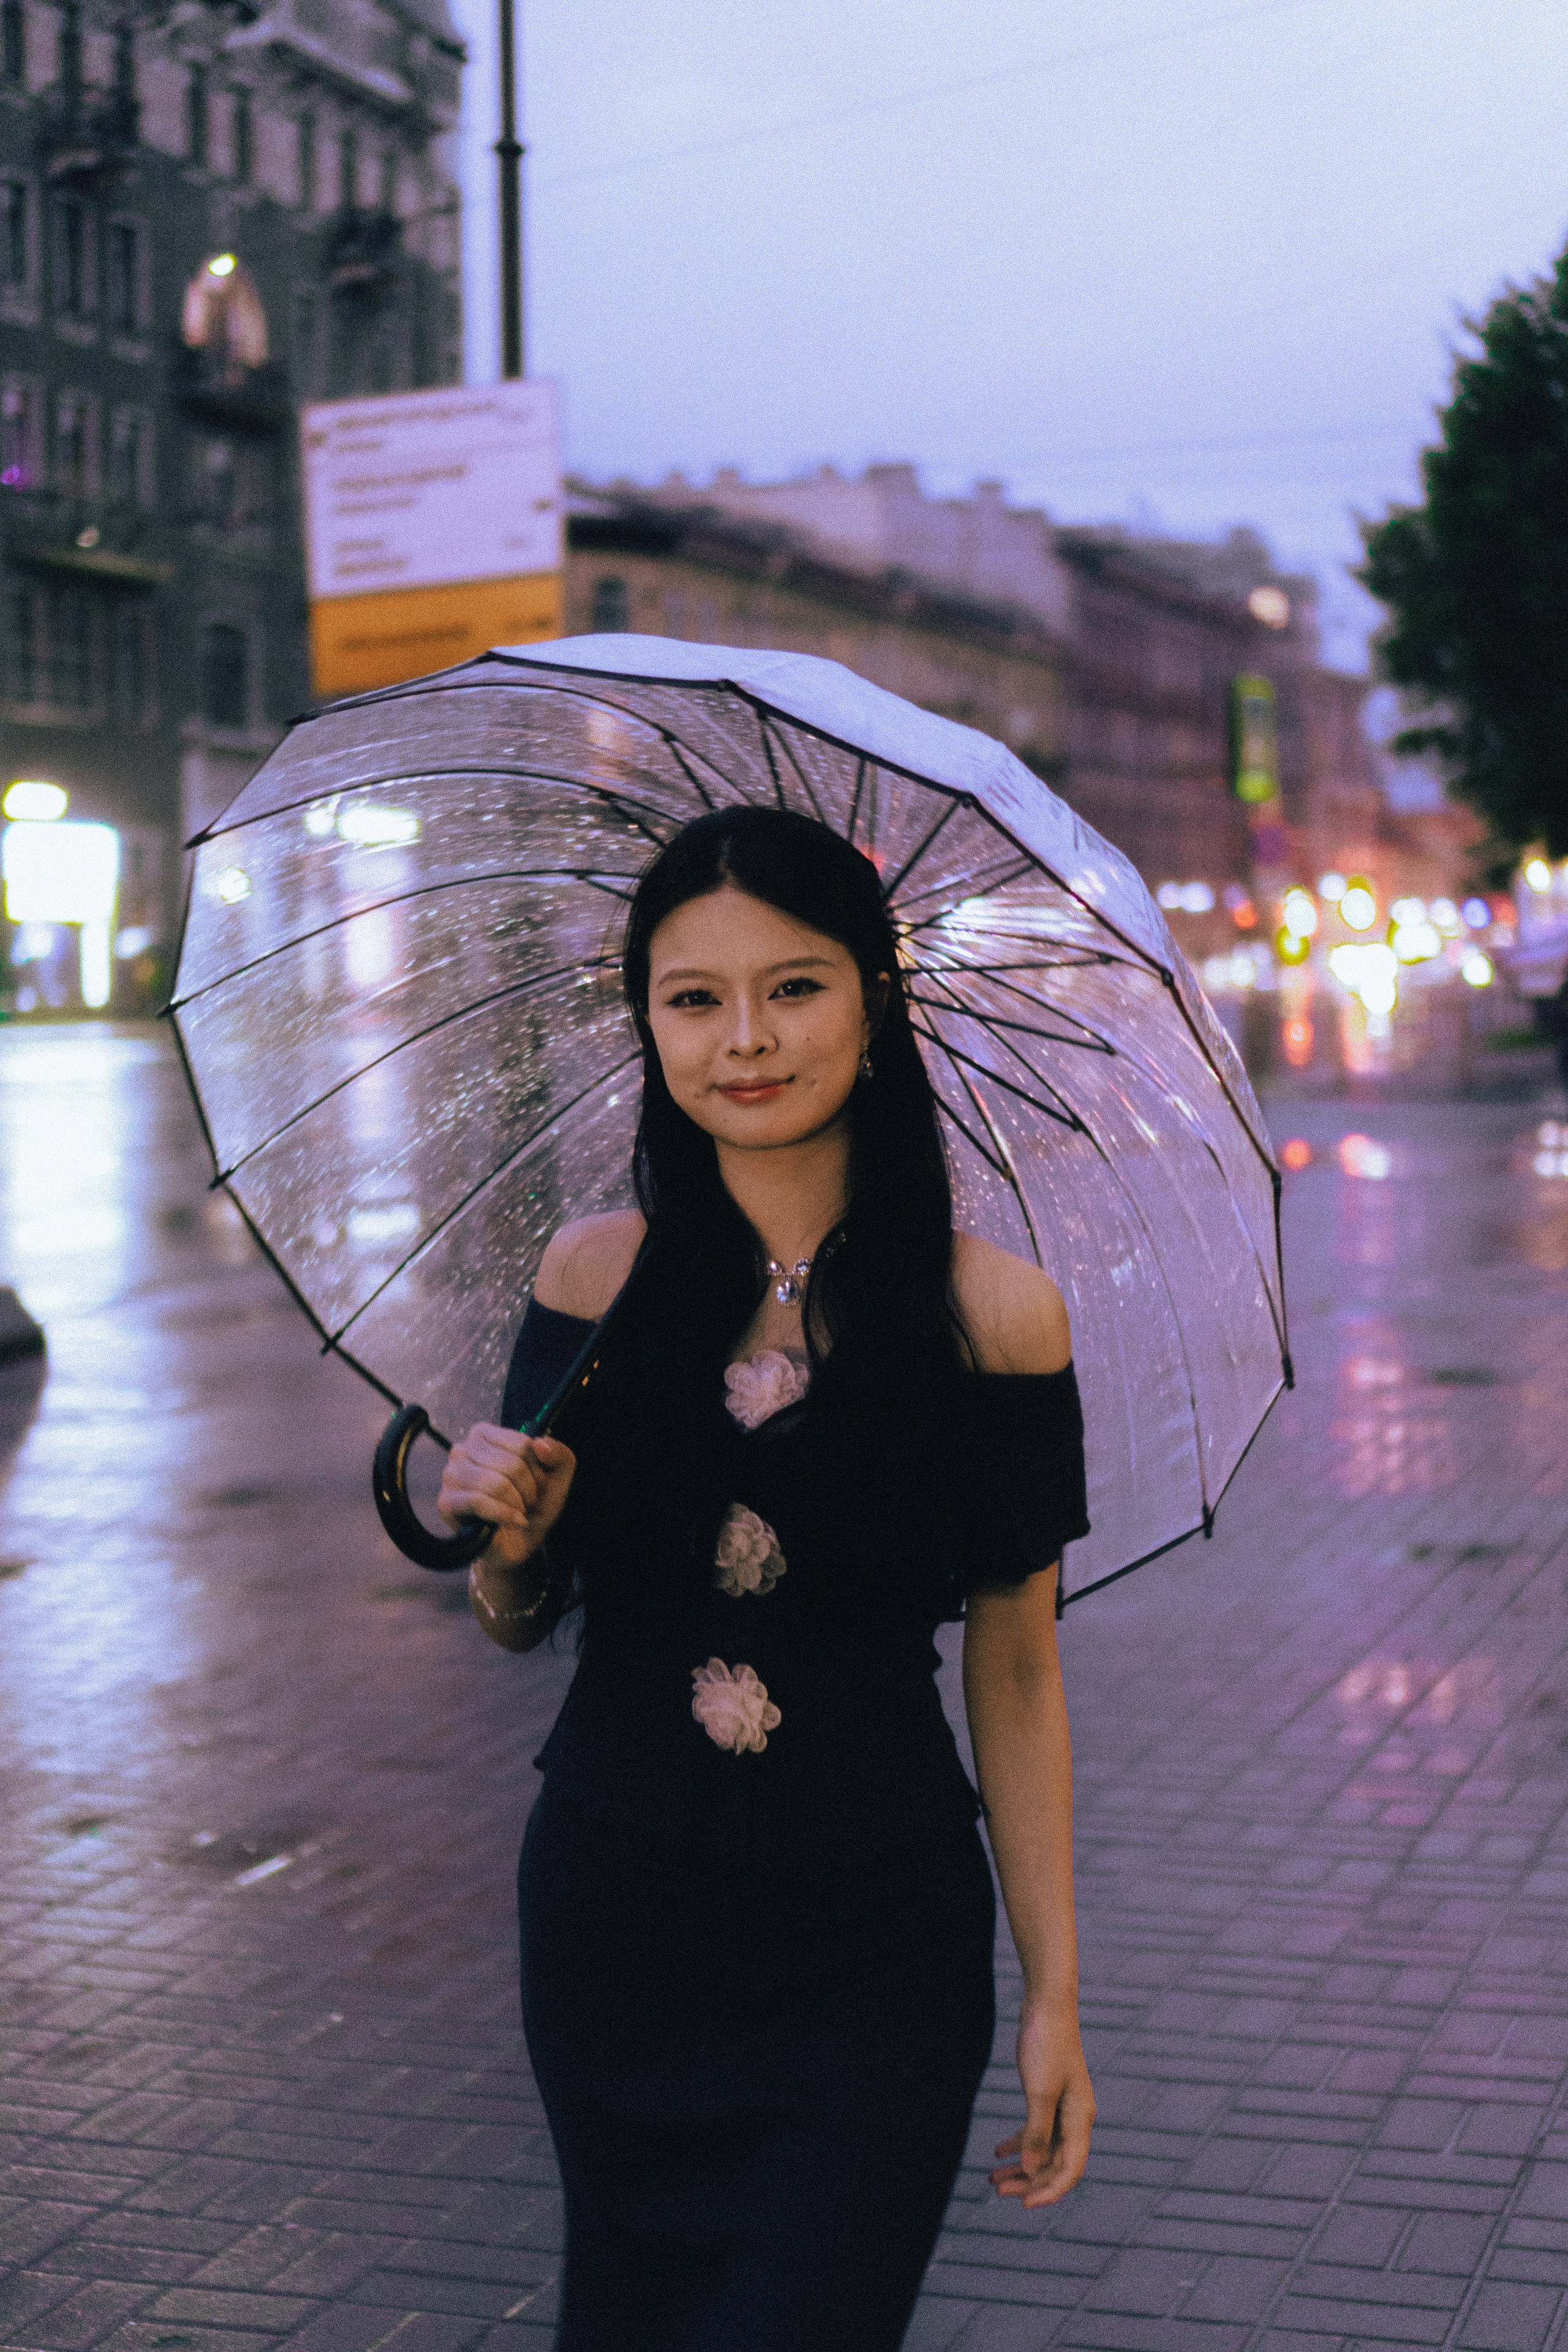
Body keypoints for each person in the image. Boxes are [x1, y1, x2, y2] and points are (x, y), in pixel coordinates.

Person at [438, 805, 1095, 2351]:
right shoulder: (593, 1277)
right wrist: (511, 1548)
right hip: (616, 1913)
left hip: (876, 1940)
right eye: (692, 997)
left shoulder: (995, 1315)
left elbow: (1015, 1663)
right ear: (645, 1020)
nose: (743, 1039)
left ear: (875, 999)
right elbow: (516, 1618)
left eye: (793, 987)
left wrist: (1056, 1987)